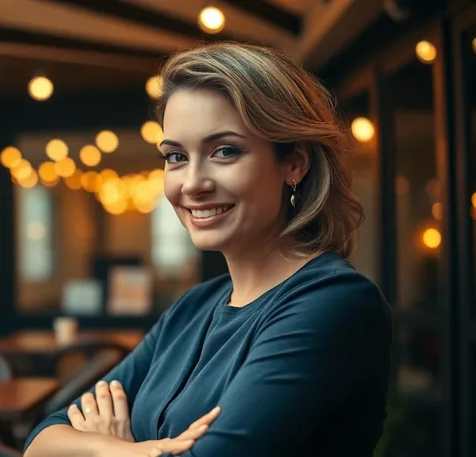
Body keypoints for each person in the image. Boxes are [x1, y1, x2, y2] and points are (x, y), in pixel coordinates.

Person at [24, 42, 392, 457]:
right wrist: (127, 451)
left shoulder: (332, 302)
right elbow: (41, 441)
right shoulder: (194, 307)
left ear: (294, 163)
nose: (193, 183)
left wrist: (105, 443)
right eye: (176, 156)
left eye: (225, 151)